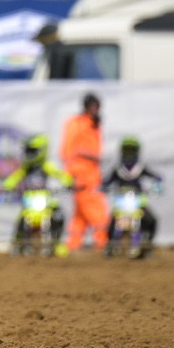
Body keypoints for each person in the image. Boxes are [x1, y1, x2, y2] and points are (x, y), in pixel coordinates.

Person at [2, 133, 73, 251]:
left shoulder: (46, 166)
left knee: (58, 216)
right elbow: (14, 178)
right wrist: (8, 186)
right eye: (27, 150)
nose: (28, 154)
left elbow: (60, 175)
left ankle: (56, 243)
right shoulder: (25, 168)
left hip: (45, 198)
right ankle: (17, 243)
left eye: (31, 150)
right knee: (21, 219)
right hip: (30, 199)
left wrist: (68, 182)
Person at [60, 94, 107, 254]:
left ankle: (74, 243)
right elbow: (68, 150)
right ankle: (102, 242)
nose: (97, 109)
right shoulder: (77, 123)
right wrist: (70, 174)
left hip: (91, 174)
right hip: (81, 174)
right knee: (96, 211)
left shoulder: (93, 123)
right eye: (94, 106)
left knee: (80, 213)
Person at [103, 135, 163, 254]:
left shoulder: (140, 168)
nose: (129, 154)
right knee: (111, 222)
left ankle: (147, 242)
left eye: (132, 150)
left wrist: (156, 187)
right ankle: (111, 243)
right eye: (127, 150)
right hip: (120, 201)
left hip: (139, 201)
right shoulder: (117, 169)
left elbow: (157, 177)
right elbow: (106, 182)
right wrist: (103, 187)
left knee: (151, 220)